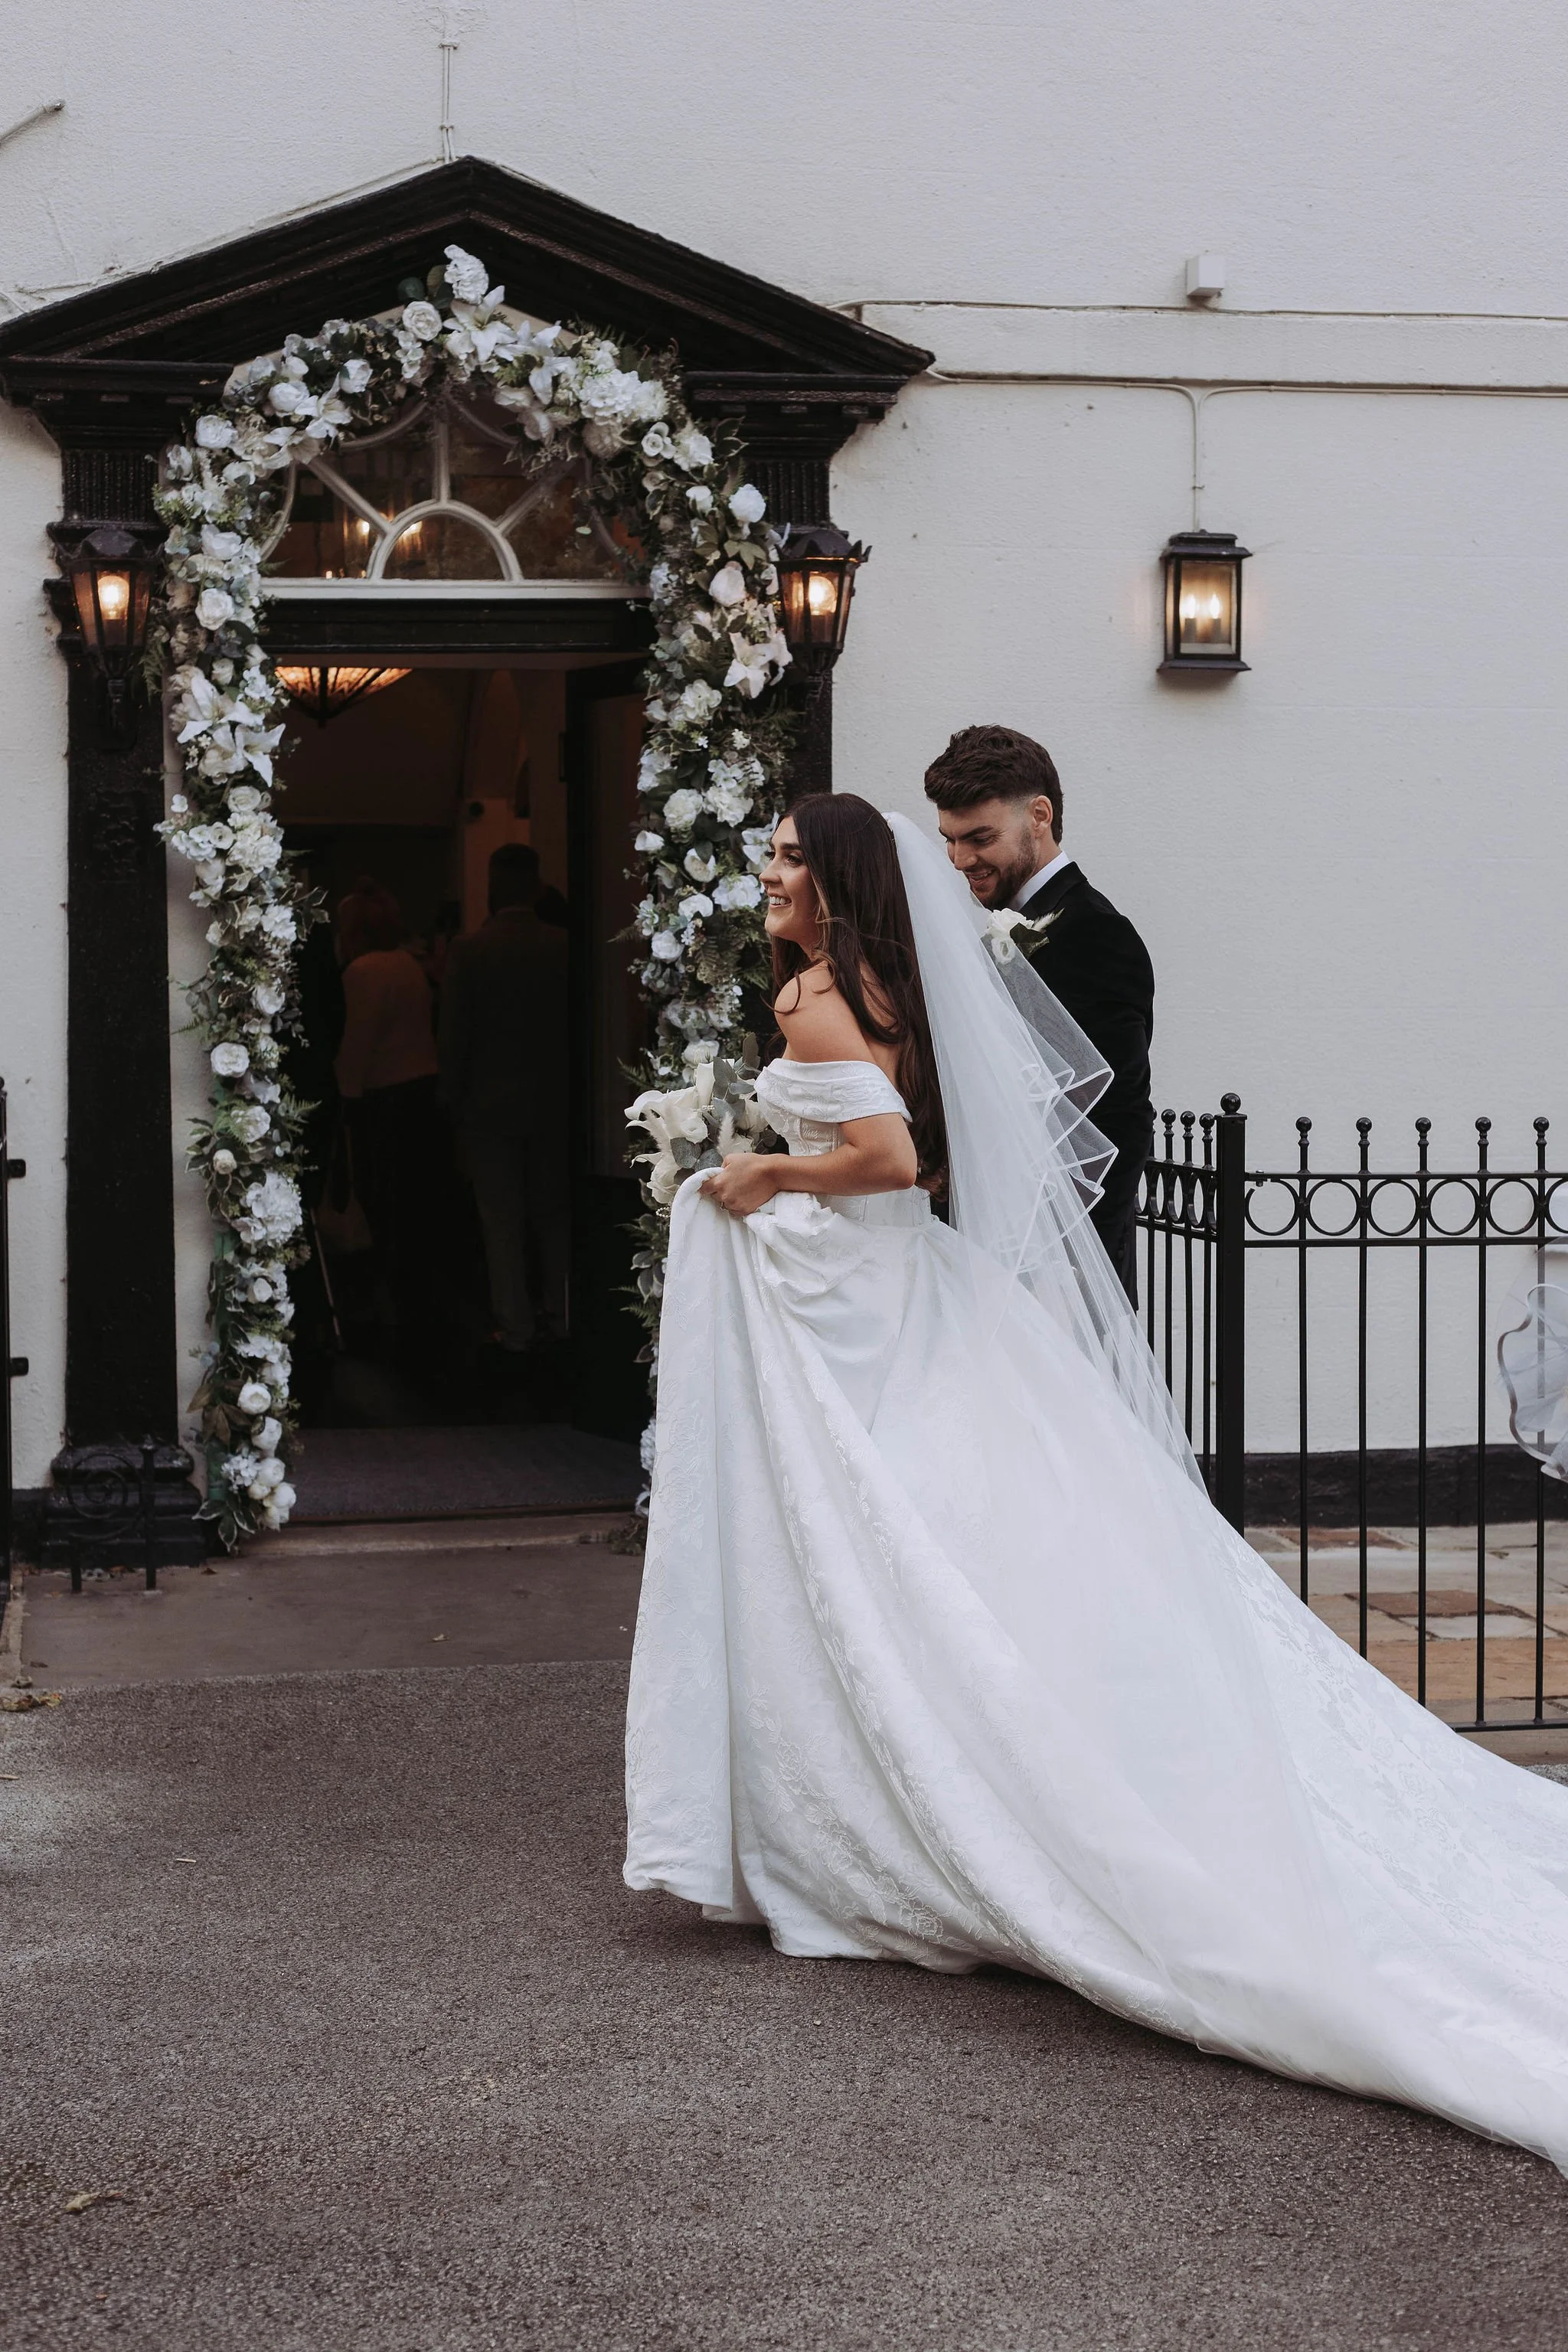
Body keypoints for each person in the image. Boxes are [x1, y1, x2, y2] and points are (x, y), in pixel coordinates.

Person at [624, 792, 1568, 2174]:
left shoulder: (825, 999)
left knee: (878, 1546)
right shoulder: (890, 985)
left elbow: (885, 1161)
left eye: (782, 859)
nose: (764, 876)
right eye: (763, 854)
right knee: (944, 1541)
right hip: (903, 1295)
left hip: (860, 1301)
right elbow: (936, 1151)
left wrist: (762, 1168)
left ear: (833, 881)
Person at [923, 725, 1154, 1304]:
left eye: (979, 837)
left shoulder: (1096, 932)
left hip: (1059, 1258)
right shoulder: (1014, 924)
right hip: (1002, 1241)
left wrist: (1074, 1269)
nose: (959, 859)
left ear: (1040, 815)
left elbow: (1113, 1117)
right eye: (950, 840)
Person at [439, 843, 570, 1353]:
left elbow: (455, 1035)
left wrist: (451, 1098)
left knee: (502, 1222)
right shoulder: (562, 946)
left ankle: (515, 1327)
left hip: (488, 1106)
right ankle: (562, 1315)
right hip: (554, 1102)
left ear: (493, 888)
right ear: (537, 887)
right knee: (555, 1217)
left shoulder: (470, 950)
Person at [334, 878, 445, 1347]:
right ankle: (417, 1302)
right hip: (421, 1092)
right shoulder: (409, 966)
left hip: (380, 1099)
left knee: (380, 1201)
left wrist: (344, 1099)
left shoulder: (361, 973)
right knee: (414, 1202)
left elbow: (357, 1044)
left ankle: (384, 1305)